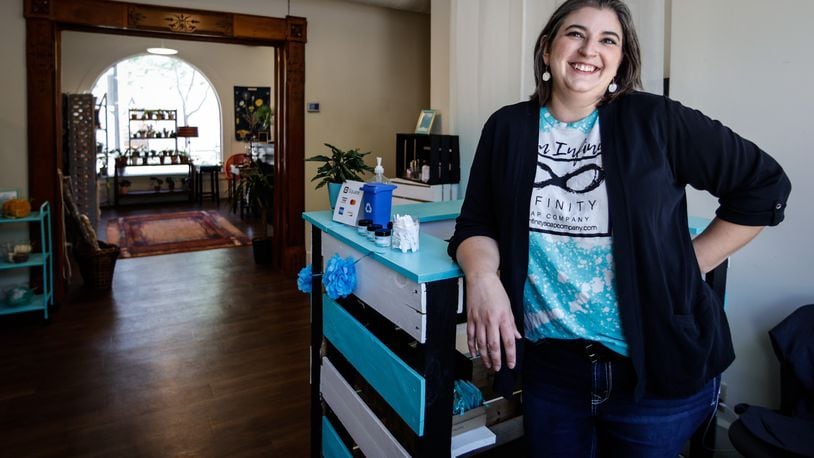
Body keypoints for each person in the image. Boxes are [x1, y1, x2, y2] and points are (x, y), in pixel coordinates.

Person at [447, 0, 792, 456]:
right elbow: (477, 223)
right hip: (553, 370)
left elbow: (764, 186)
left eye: (608, 39)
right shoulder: (506, 127)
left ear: (621, 60)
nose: (589, 48)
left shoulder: (656, 120)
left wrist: (687, 266)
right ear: (549, 48)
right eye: (575, 33)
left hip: (656, 369)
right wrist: (482, 278)